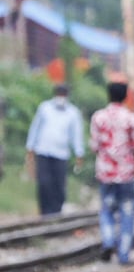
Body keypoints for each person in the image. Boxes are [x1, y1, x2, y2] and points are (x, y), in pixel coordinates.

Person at [90, 82, 134, 264]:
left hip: (105, 173)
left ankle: (108, 241)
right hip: (127, 173)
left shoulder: (98, 117)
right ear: (125, 97)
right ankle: (123, 253)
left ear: (108, 95)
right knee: (127, 212)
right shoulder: (132, 119)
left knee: (106, 210)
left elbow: (95, 147)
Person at [25, 84, 85, 216]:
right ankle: (45, 212)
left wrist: (79, 153)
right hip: (43, 151)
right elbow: (35, 128)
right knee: (44, 183)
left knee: (59, 184)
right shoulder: (45, 108)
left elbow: (76, 134)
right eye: (59, 94)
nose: (61, 97)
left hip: (61, 154)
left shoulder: (72, 112)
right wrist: (30, 147)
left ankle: (56, 212)